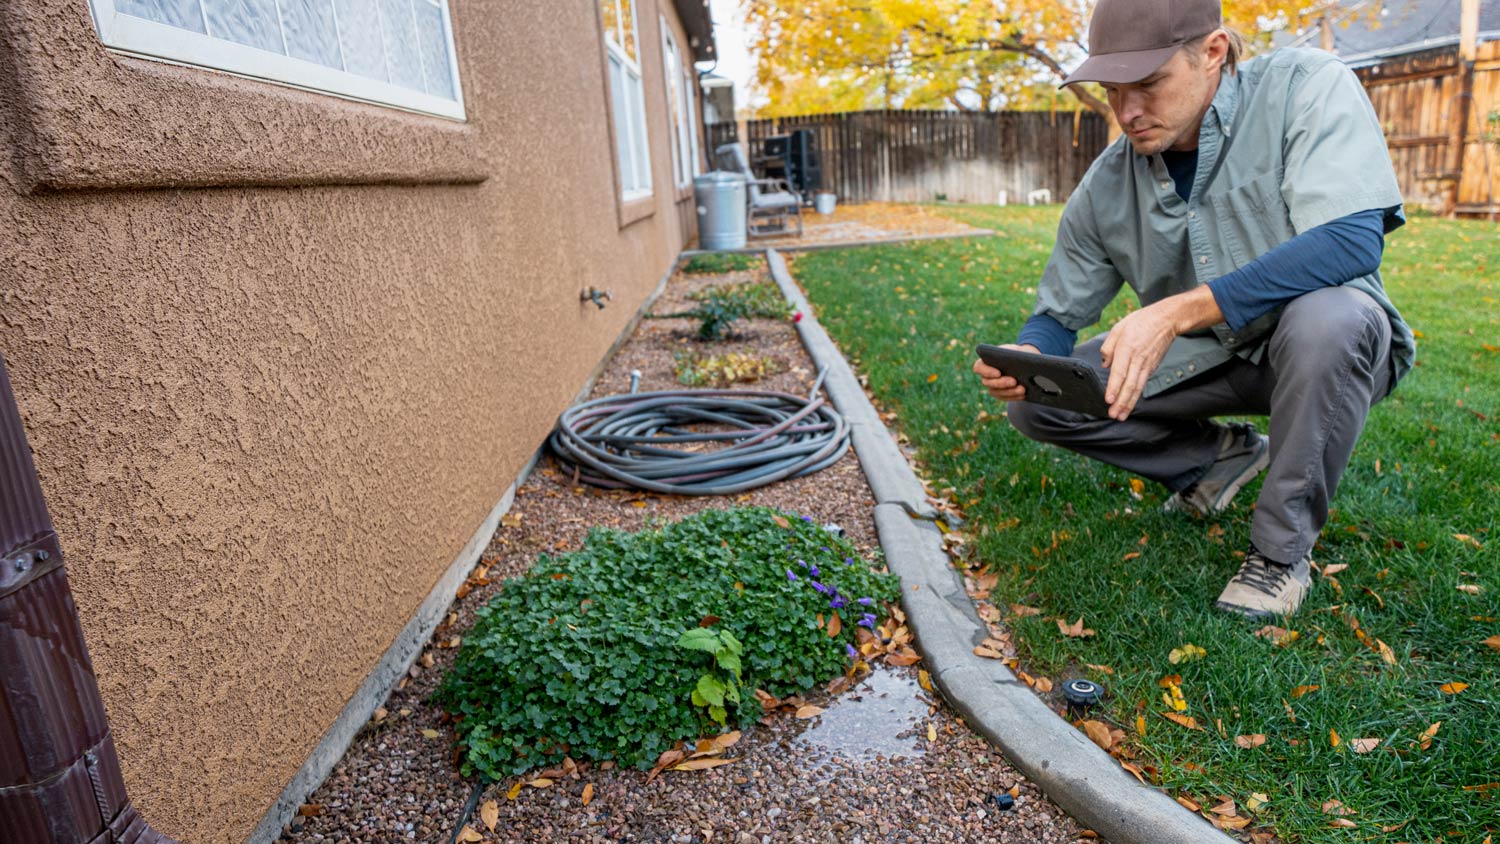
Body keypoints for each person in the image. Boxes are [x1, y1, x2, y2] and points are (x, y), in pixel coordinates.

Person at [972, 0, 1413, 619]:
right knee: (1042, 400)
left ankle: (1280, 557)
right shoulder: (1106, 185)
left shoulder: (1303, 86)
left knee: (1329, 319)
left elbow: (1351, 237)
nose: (1126, 112)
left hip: (1331, 349)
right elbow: (1056, 315)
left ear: (1213, 52)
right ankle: (1217, 459)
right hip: (1210, 359)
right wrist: (1031, 353)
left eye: (1148, 84)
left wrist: (1178, 312)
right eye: (1112, 90)